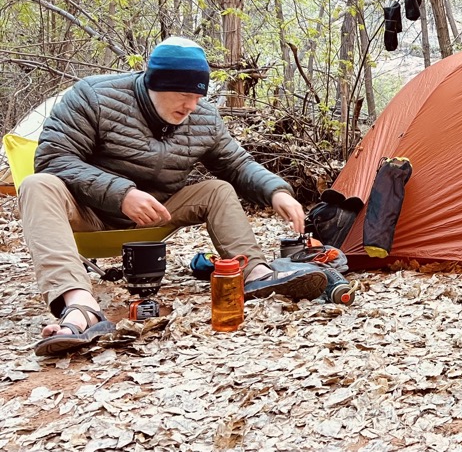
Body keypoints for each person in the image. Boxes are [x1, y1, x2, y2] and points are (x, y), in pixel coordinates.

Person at [21, 36, 329, 356]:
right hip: (90, 212)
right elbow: (53, 159)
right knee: (37, 185)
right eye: (184, 94)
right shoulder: (94, 96)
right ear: (156, 83)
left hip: (159, 213)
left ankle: (256, 274)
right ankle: (80, 306)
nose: (192, 105)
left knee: (218, 189)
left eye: (198, 95)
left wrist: (276, 190)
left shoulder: (203, 118)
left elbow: (236, 165)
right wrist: (122, 194)